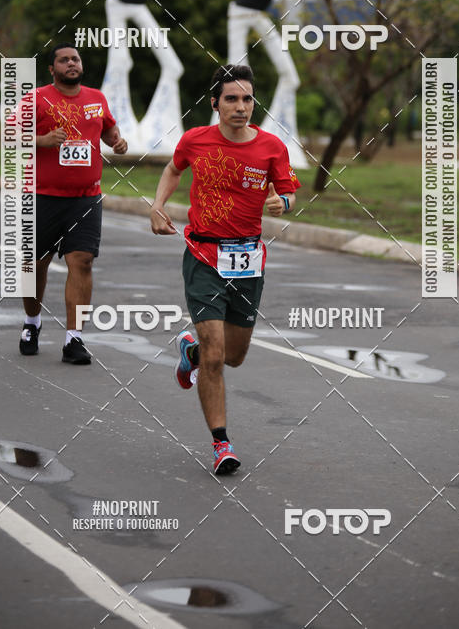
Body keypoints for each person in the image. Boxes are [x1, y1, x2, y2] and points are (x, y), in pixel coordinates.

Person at [150, 64, 301, 475]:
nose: (240, 106)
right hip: (203, 255)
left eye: (247, 99)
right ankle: (221, 444)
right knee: (216, 357)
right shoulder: (195, 140)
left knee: (234, 356)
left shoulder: (271, 147)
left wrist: (281, 203)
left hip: (248, 260)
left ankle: (190, 353)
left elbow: (288, 192)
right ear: (214, 102)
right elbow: (173, 169)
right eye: (231, 98)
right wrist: (158, 205)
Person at [19, 43, 128, 364]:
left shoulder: (96, 98)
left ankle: (74, 339)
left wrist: (117, 141)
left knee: (82, 262)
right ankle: (31, 323)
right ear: (51, 69)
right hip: (41, 197)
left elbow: (108, 129)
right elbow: (8, 135)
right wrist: (41, 140)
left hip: (86, 199)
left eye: (75, 59)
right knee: (35, 265)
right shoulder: (36, 99)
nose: (71, 63)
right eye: (63, 60)